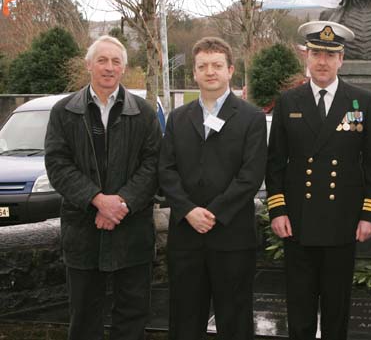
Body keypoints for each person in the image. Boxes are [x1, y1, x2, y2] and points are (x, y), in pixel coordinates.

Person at [266, 20, 371, 340]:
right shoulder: (289, 101)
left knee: (337, 312)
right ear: (307, 56)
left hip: (342, 223)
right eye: (316, 53)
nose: (322, 61)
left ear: (341, 59)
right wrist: (277, 210)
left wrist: (370, 214)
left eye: (330, 55)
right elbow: (275, 163)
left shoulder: (362, 101)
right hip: (298, 223)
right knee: (300, 311)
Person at [44, 35, 162, 340]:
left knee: (132, 314)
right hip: (83, 231)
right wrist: (97, 200)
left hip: (132, 230)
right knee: (83, 317)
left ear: (123, 68)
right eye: (102, 60)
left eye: (115, 61)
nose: (109, 68)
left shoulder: (144, 113)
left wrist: (120, 203)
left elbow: (153, 166)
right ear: (88, 65)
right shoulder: (63, 112)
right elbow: (57, 165)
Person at [159, 37, 267, 340]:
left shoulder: (251, 117)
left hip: (232, 236)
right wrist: (189, 210)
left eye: (217, 65)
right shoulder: (178, 118)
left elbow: (251, 175)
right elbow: (165, 170)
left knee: (234, 319)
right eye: (203, 66)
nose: (210, 72)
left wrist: (215, 213)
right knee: (184, 319)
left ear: (230, 70)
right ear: (193, 73)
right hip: (186, 236)